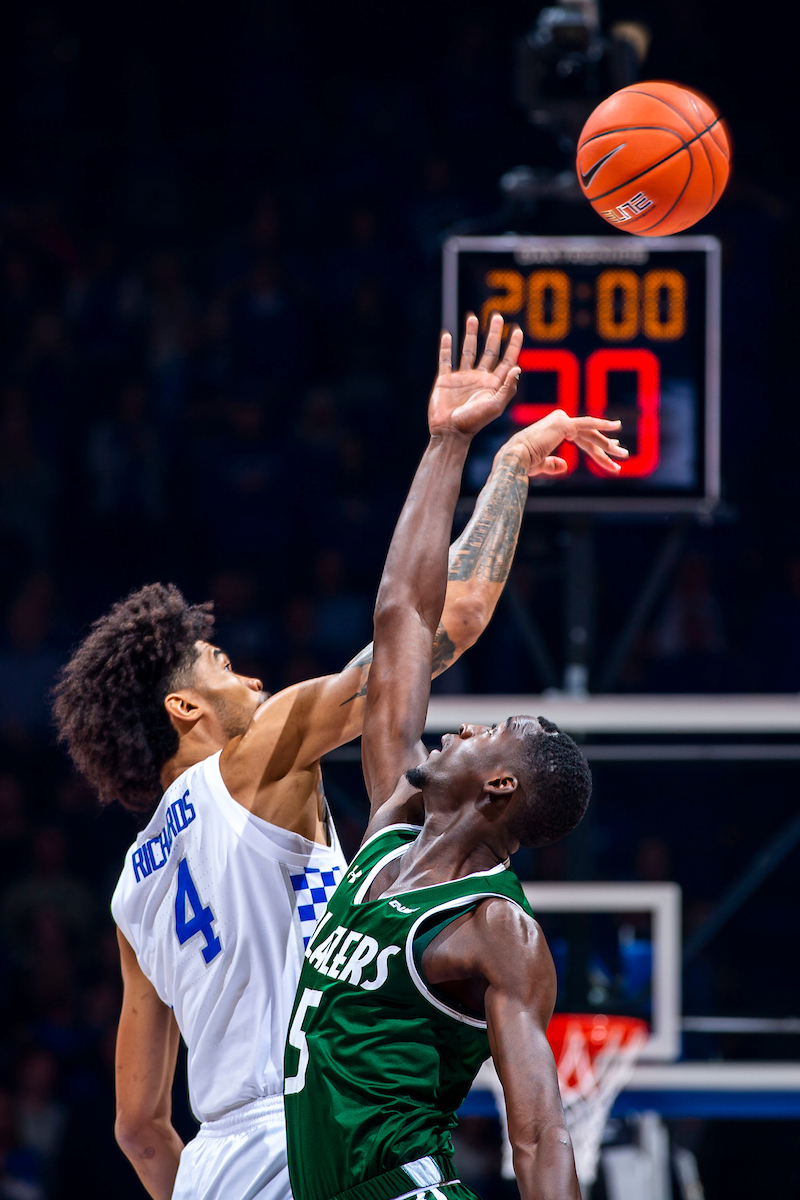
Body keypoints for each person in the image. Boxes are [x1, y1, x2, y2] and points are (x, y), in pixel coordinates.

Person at [51, 324, 564, 1200]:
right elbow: (449, 619)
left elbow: (138, 1128)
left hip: (214, 1160)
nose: (245, 672)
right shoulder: (261, 753)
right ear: (183, 708)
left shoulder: (132, 888)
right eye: (217, 665)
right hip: (314, 1132)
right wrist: (505, 467)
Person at [283, 314, 628, 1200]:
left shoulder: (499, 929)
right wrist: (449, 443)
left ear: (502, 784)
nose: (464, 728)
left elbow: (542, 1130)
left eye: (490, 732)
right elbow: (404, 614)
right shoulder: (391, 831)